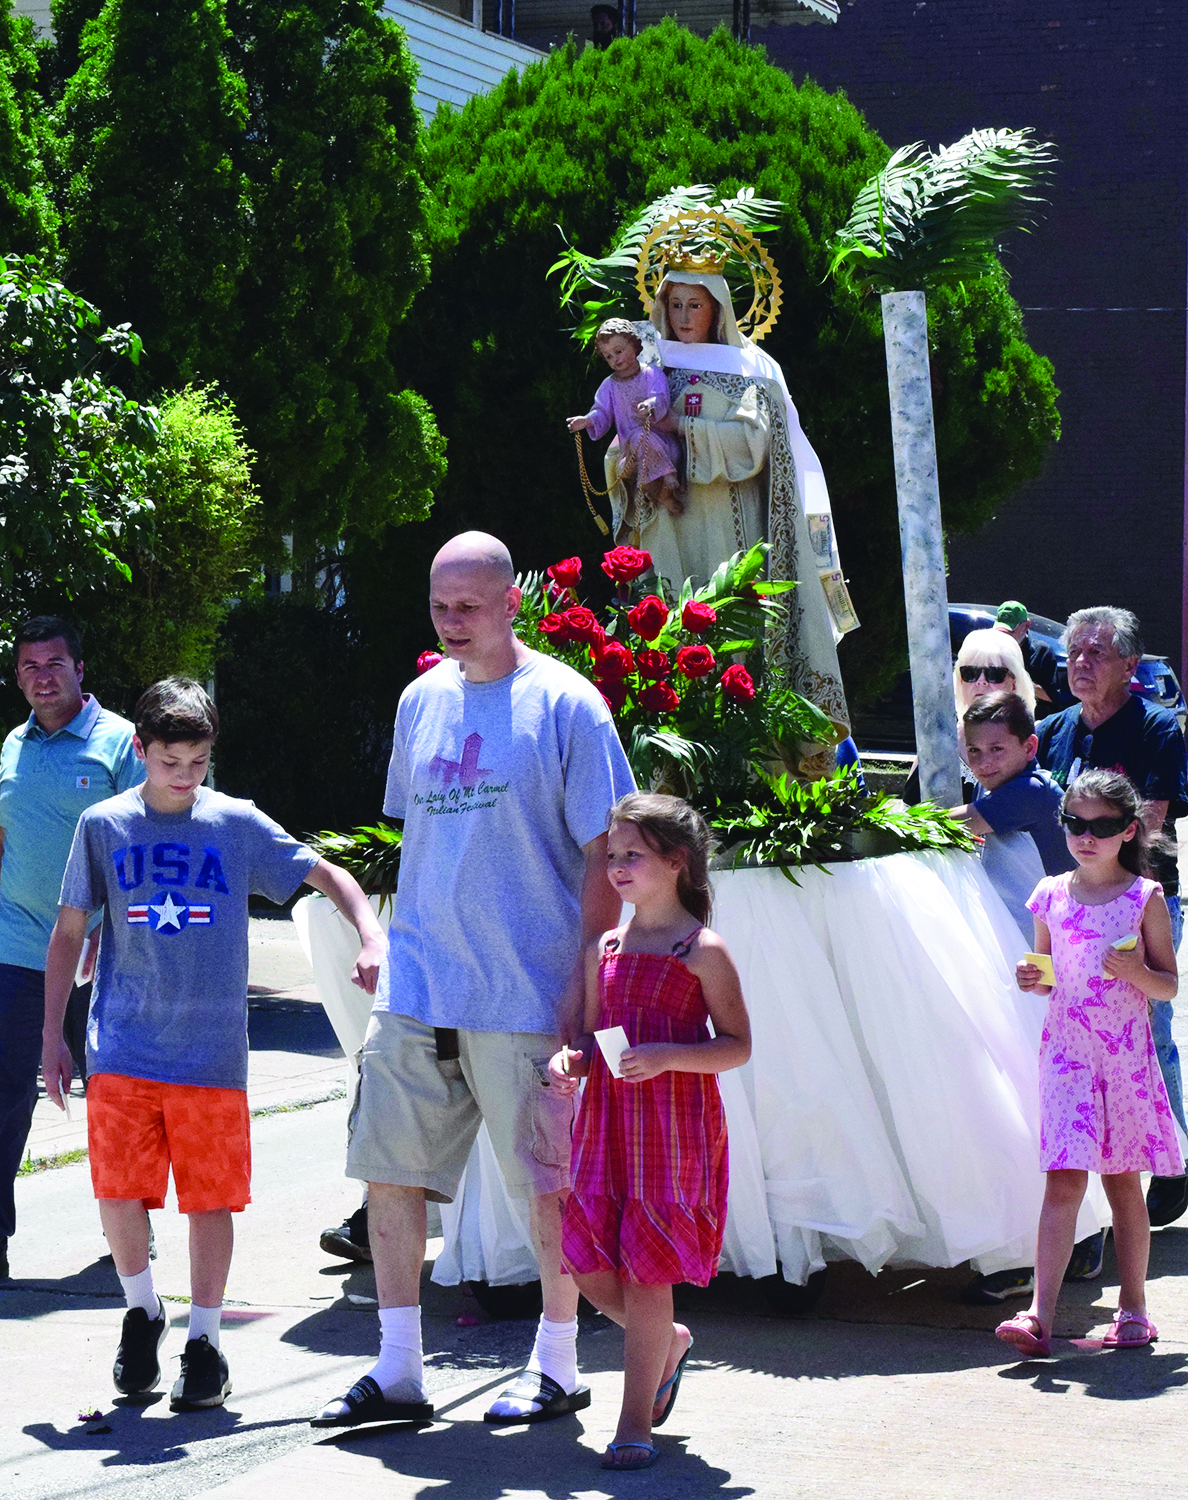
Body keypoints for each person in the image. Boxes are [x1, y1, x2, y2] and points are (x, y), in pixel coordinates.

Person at [313, 532, 635, 1430]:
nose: (452, 623)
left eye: (469, 606)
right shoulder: (420, 701)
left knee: (547, 1183)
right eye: (439, 607)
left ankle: (561, 1364)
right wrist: (387, 945)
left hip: (526, 989)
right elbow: (420, 838)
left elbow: (606, 855)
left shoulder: (568, 706)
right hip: (419, 984)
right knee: (389, 1172)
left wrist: (582, 981)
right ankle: (399, 1368)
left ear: (510, 604)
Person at [39, 677, 386, 1409]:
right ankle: (142, 1312)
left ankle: (204, 1341)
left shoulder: (235, 823)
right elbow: (69, 930)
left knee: (209, 1201)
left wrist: (371, 931)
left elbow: (330, 876)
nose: (184, 778)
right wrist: (52, 1037)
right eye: (169, 763)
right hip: (123, 1046)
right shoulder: (103, 825)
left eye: (197, 764)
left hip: (211, 1054)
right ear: (141, 750)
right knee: (119, 1191)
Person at [549, 793, 750, 1470]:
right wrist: (571, 1060)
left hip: (671, 1130)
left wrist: (667, 1055)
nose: (618, 867)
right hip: (606, 1122)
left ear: (675, 862)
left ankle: (635, 1421)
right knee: (583, 1261)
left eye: (633, 855)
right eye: (612, 856)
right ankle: (667, 1341)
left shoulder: (701, 948)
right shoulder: (605, 946)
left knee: (646, 1270)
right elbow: (596, 1037)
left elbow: (738, 1045)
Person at [607, 271, 851, 737]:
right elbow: (619, 444)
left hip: (731, 530)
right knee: (669, 633)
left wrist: (681, 429)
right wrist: (628, 456)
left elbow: (754, 444)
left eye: (693, 305)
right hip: (667, 529)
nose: (682, 316)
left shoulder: (749, 370)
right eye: (674, 304)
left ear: (717, 309)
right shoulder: (646, 370)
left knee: (735, 636)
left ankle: (747, 758)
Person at [997, 769, 1182, 1358]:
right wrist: (1033, 978)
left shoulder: (1142, 899)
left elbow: (1168, 986)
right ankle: (1039, 1314)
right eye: (1074, 823)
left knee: (1123, 1182)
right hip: (1068, 1060)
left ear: (1128, 830)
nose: (1085, 836)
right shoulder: (1049, 893)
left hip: (1123, 1061)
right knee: (1062, 1180)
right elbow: (1048, 973)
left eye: (1100, 826)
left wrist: (1136, 973)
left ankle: (1134, 1308)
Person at [0, 615, 144, 1281]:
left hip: (100, 958)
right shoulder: (12, 746)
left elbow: (142, 850)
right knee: (4, 1097)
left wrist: (109, 930)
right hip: (16, 952)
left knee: (112, 1098)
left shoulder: (120, 744)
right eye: (29, 667)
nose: (41, 677)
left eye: (53, 663)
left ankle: (128, 1239)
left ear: (80, 669)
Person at [1036, 606, 1188, 1230]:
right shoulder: (1053, 728)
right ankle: (1089, 1161)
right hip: (1068, 901)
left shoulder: (1156, 728)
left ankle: (1173, 1160)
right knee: (1074, 1026)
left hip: (1138, 897)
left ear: (1130, 665)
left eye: (1097, 654)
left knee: (1146, 1023)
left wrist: (1100, 857)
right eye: (1074, 653)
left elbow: (1149, 816)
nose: (1081, 664)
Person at [951, 692, 1075, 941]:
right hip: (1015, 934)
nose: (983, 762)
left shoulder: (1033, 790)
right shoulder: (990, 785)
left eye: (996, 749)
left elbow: (949, 822)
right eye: (974, 750)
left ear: (1029, 747)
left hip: (1047, 941)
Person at [566, 318, 682, 518]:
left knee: (640, 435)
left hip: (662, 443)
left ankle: (667, 482)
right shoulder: (609, 386)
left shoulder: (650, 373)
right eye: (608, 356)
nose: (615, 360)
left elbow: (661, 397)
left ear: (635, 345)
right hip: (631, 453)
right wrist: (587, 420)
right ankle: (664, 486)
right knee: (635, 439)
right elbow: (601, 411)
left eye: (619, 352)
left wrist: (651, 405)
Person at [994, 601, 1071, 711]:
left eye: (1011, 631)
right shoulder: (992, 649)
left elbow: (1054, 697)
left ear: (1026, 625)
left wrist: (1019, 680)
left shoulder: (1041, 652)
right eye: (1001, 631)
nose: (1005, 636)